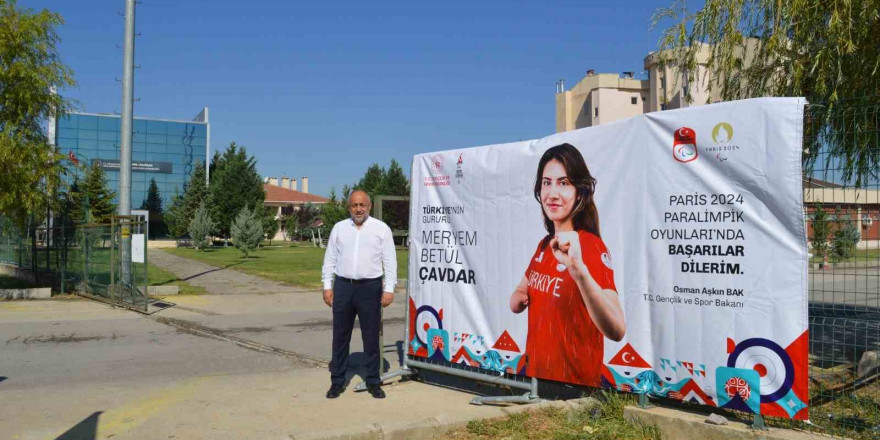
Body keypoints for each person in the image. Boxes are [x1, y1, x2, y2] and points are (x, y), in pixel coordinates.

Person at [509, 143, 625, 387]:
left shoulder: (591, 247)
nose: (552, 193)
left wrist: (579, 271)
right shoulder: (544, 246)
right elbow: (523, 288)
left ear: (579, 192)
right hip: (536, 381)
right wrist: (518, 297)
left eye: (563, 183)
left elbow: (617, 330)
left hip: (573, 389)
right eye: (546, 182)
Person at [321, 190, 397, 399]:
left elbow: (390, 261)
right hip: (343, 286)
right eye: (354, 205)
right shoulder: (339, 229)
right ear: (349, 207)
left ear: (370, 206)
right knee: (340, 336)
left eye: (362, 205)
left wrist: (389, 289)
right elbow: (330, 259)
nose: (358, 209)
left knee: (371, 336)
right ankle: (337, 381)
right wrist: (327, 286)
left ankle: (373, 381)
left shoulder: (381, 229)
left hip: (370, 288)